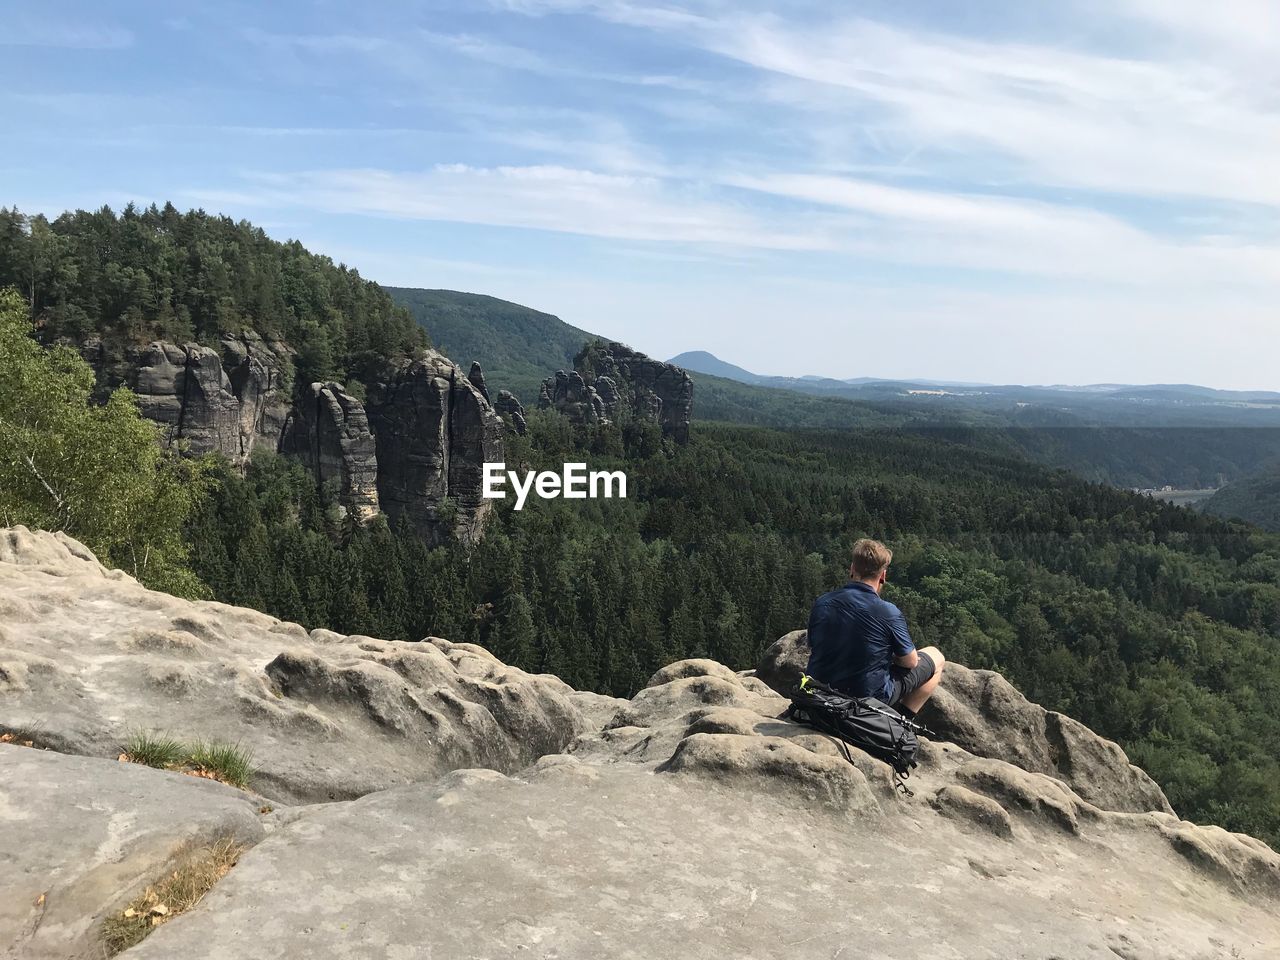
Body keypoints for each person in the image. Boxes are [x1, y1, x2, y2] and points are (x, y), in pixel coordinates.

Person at [805, 538, 944, 718]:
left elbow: (813, 645)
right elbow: (911, 662)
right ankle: (902, 720)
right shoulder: (888, 612)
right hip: (867, 697)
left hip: (819, 690)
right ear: (883, 576)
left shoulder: (823, 602)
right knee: (937, 656)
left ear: (852, 569)